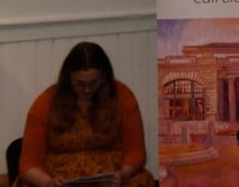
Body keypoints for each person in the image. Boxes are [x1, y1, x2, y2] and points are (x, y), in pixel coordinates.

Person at [15, 41, 155, 187]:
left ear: (104, 77)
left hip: (111, 180)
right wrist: (49, 182)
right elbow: (28, 164)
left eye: (94, 83)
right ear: (68, 78)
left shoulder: (122, 96)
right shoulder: (46, 102)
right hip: (60, 180)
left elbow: (136, 151)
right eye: (80, 84)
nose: (87, 90)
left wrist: (123, 175)